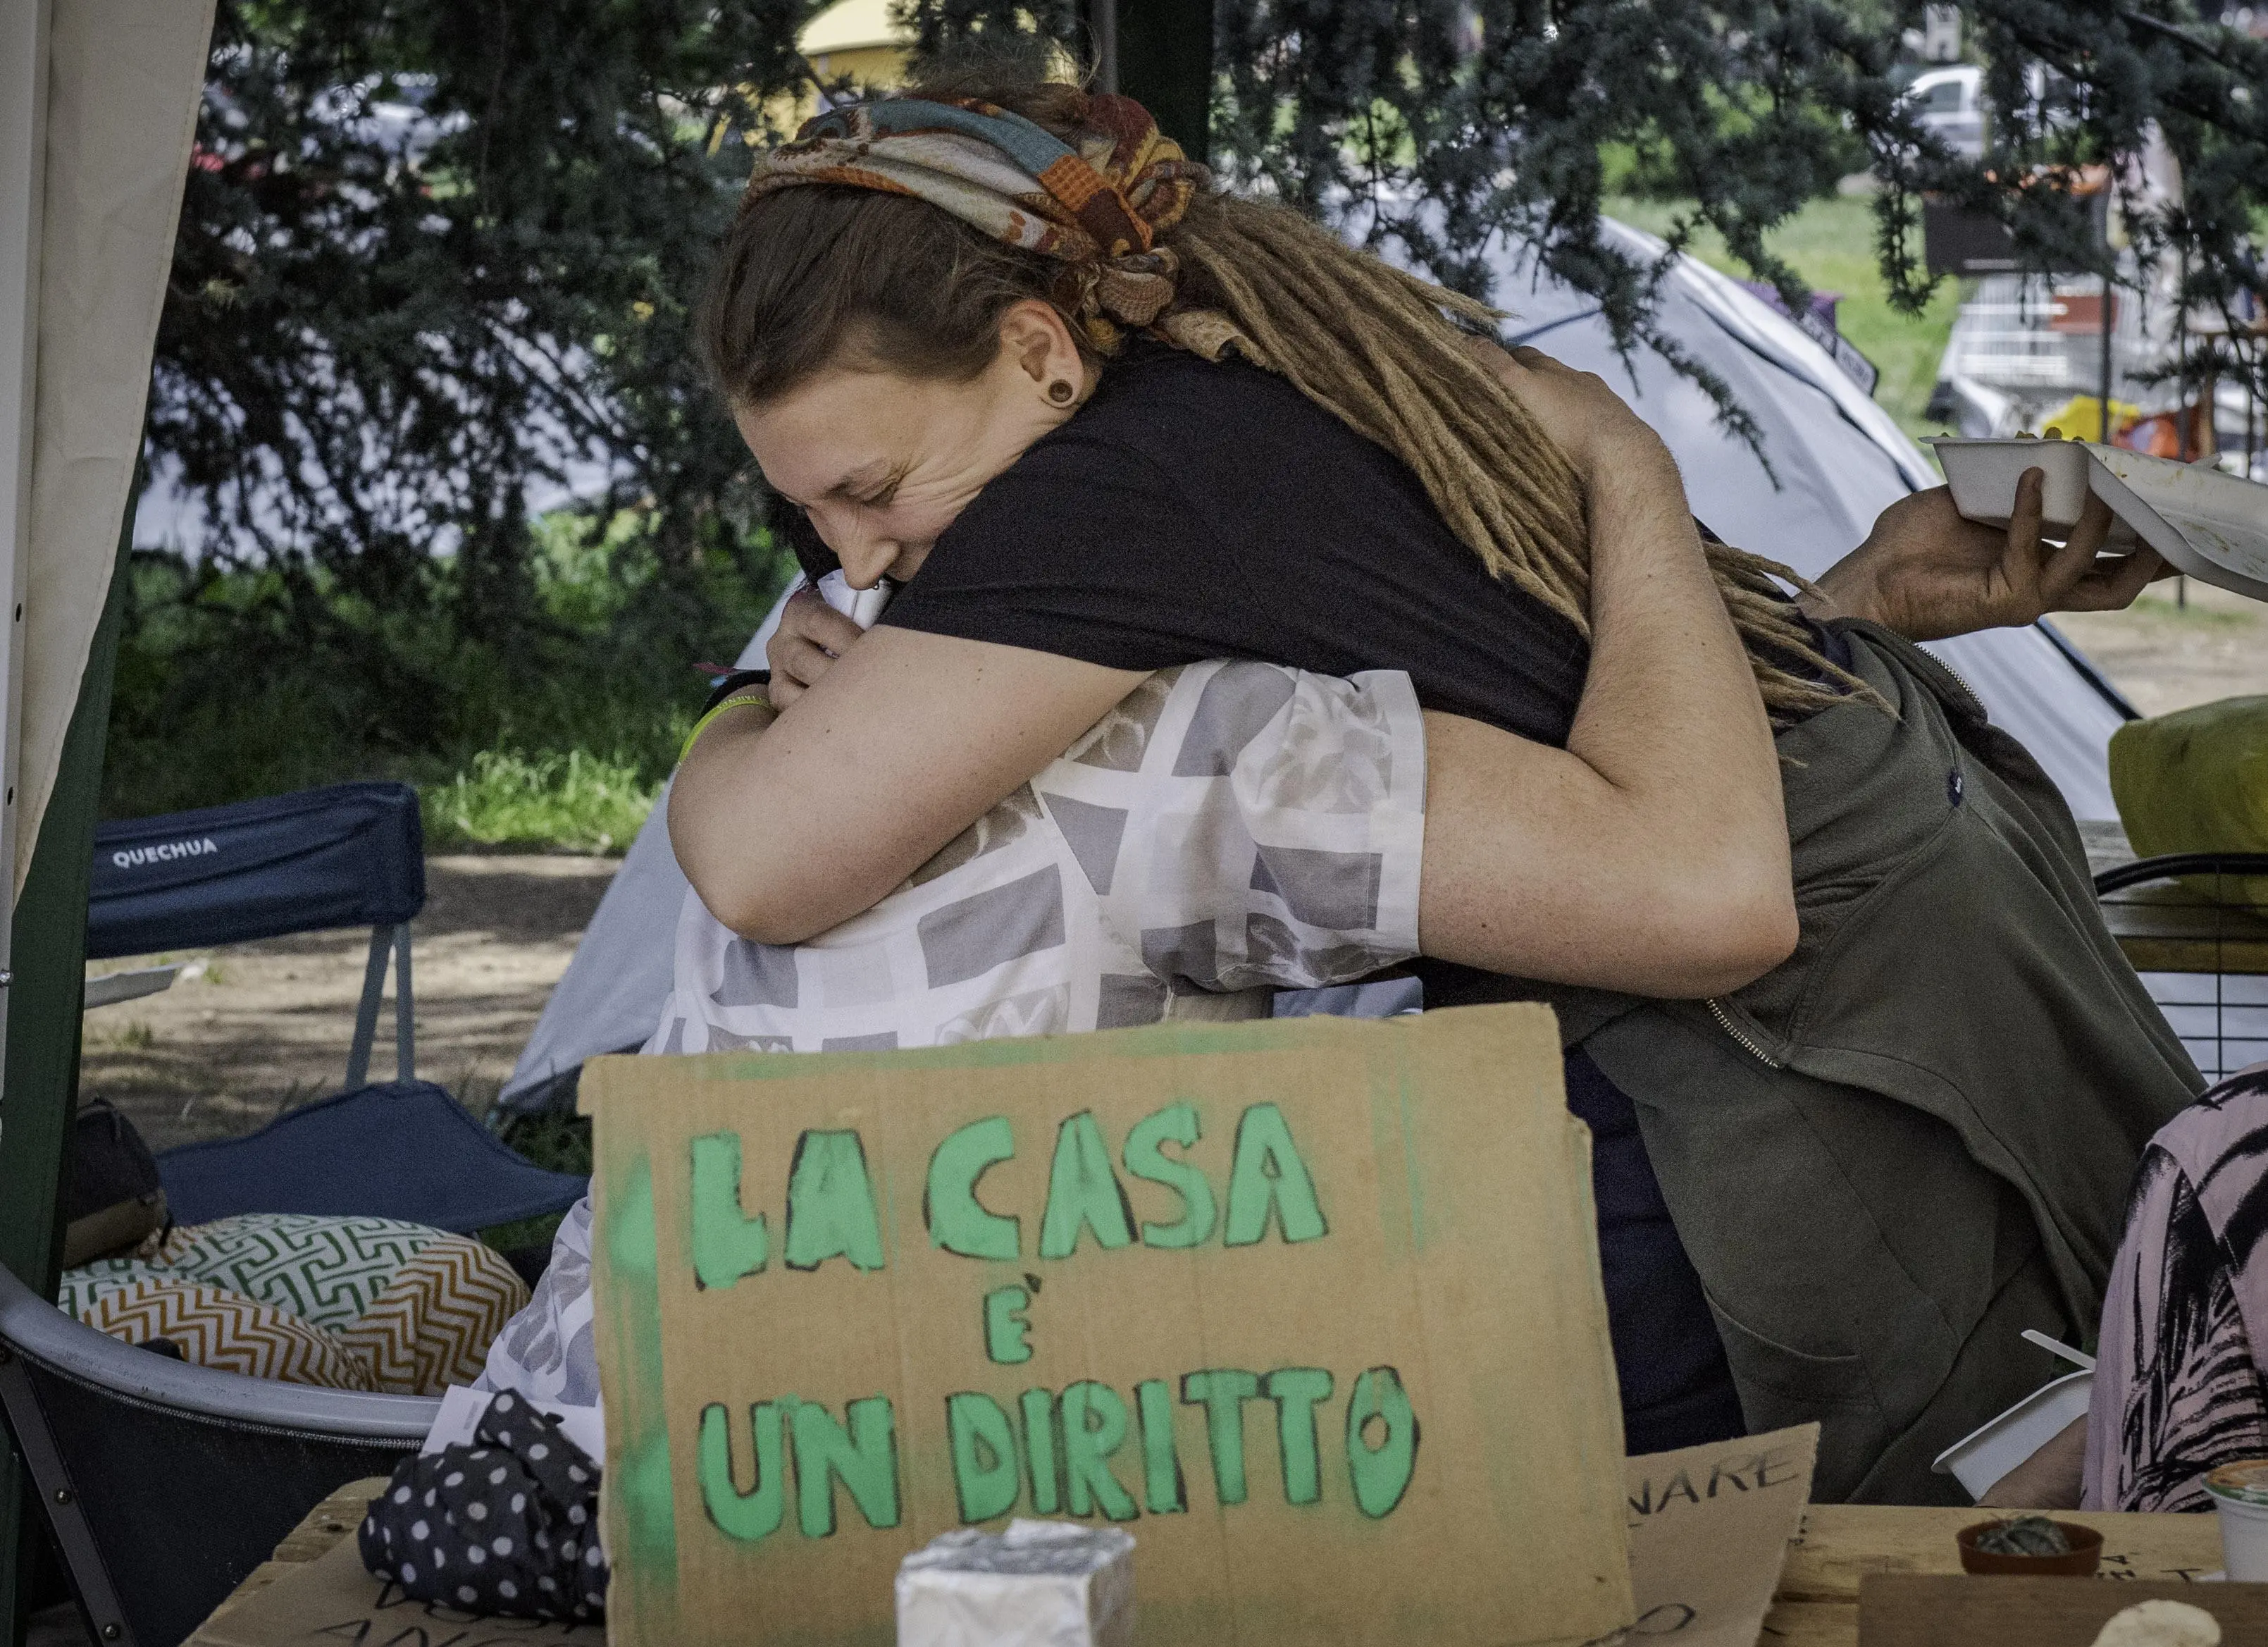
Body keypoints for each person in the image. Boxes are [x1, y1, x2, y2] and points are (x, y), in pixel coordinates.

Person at [669, 75, 2201, 1500]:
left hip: (1781, 1042)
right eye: (806, 520)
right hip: (1868, 831)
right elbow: (1548, 672)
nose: (859, 566)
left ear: (1038, 351)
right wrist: (1845, 598)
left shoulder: (1116, 492)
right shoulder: (1230, 399)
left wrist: (747, 703)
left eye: (869, 494)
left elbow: (760, 861)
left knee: (1675, 1541)